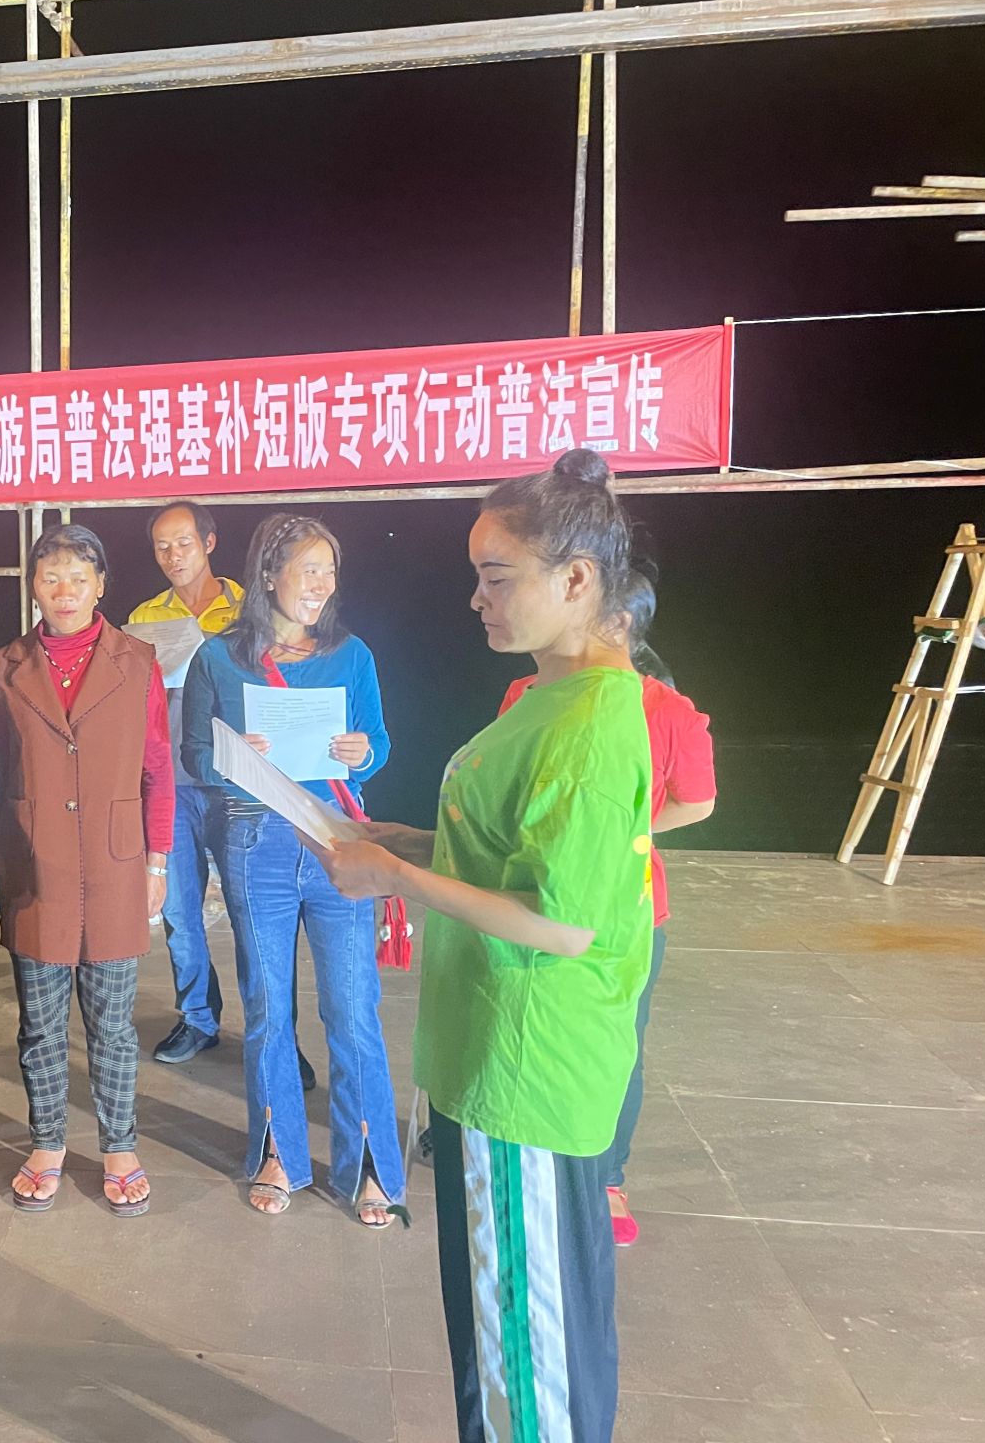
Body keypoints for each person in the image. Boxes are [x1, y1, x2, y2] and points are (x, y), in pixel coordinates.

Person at [311, 448, 655, 1443]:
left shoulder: (590, 726)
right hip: (495, 1057)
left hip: (526, 1071)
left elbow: (561, 923)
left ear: (576, 580)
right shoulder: (551, 696)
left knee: (525, 1357)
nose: (475, 599)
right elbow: (508, 856)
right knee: (508, 1337)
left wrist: (395, 878)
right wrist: (409, 841)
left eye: (496, 577)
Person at [180, 513, 403, 1224]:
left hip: (337, 840)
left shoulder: (351, 654)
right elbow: (193, 754)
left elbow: (378, 743)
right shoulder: (218, 657)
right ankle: (278, 1152)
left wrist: (361, 752)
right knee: (269, 1008)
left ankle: (371, 1161)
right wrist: (232, 753)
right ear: (270, 572)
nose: (322, 585)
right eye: (309, 569)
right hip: (256, 841)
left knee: (353, 1008)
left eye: (330, 572)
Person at [496, 568, 716, 1247]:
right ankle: (521, 1142)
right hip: (526, 893)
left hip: (628, 909)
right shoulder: (525, 694)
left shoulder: (667, 709)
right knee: (526, 1028)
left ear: (621, 625)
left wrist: (622, 833)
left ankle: (607, 1177)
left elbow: (699, 801)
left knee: (617, 1047)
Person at [0, 525, 174, 1216]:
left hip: (117, 865)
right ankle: (48, 1145)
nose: (64, 591)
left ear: (100, 586)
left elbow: (158, 768)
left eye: (78, 577)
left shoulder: (137, 662)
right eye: (51, 577)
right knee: (39, 1026)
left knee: (114, 1026)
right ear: (34, 587)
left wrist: (157, 860)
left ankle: (119, 1146)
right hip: (37, 867)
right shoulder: (5, 667)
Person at [127, 502, 243, 1066]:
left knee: (253, 914)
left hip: (237, 782)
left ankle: (274, 1033)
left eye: (184, 543)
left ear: (209, 542)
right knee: (179, 911)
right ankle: (197, 1017)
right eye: (162, 547)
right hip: (172, 782)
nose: (173, 556)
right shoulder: (145, 617)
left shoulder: (248, 608)